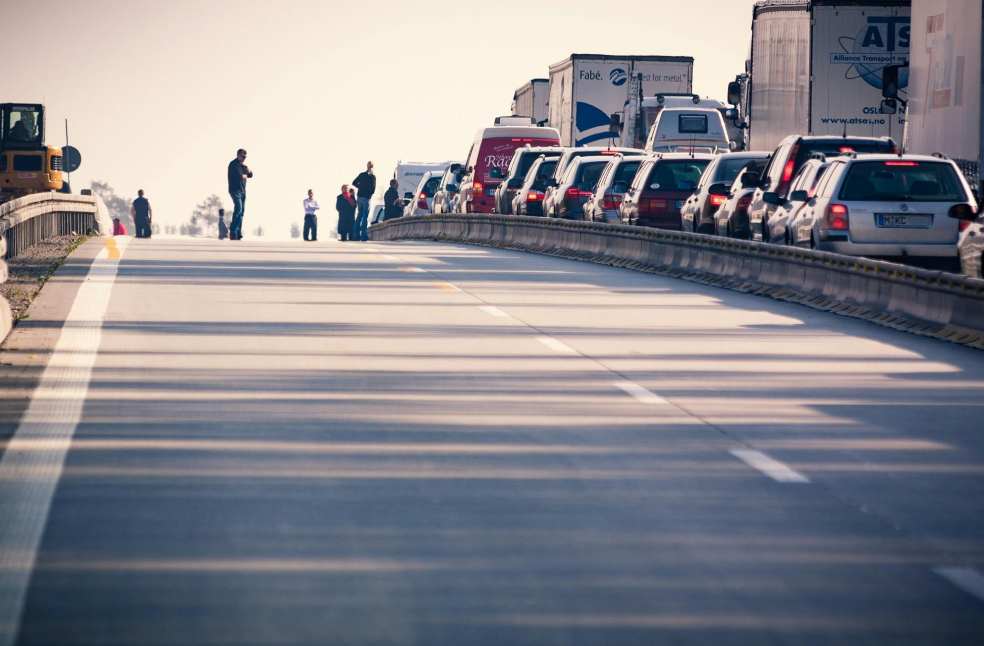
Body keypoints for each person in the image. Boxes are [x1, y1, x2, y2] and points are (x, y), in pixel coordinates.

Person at [227, 148, 253, 240]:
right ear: (238, 155)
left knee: (241, 212)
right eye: (242, 156)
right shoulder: (233, 165)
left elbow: (251, 175)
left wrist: (247, 171)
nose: (244, 158)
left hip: (242, 191)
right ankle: (233, 231)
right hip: (235, 190)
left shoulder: (243, 166)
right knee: (238, 208)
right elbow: (240, 176)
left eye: (245, 157)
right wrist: (246, 173)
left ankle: (238, 233)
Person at [351, 161, 376, 241]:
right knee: (365, 216)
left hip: (359, 197)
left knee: (359, 216)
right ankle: (363, 236)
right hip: (366, 198)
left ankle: (355, 235)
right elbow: (373, 189)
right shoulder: (372, 176)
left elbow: (354, 182)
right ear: (372, 167)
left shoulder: (362, 175)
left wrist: (360, 187)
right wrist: (369, 194)